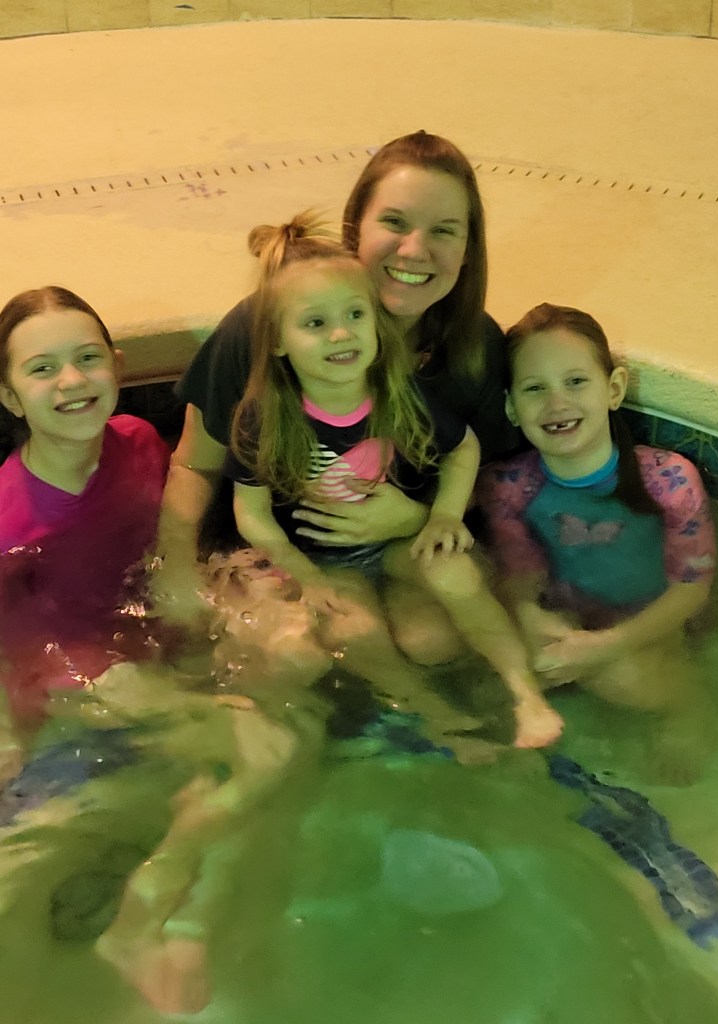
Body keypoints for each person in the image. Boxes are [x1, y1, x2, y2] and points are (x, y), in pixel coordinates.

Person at [224, 213, 562, 751]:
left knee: (454, 574)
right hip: (327, 560)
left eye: (355, 314)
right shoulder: (263, 416)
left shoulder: (399, 392)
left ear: (376, 325)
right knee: (351, 631)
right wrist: (304, 575)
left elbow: (463, 449)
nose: (341, 334)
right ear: (279, 341)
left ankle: (525, 693)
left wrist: (445, 516)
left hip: (394, 542)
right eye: (315, 323)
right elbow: (251, 513)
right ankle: (437, 716)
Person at [154, 131, 519, 623]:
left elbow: (493, 474)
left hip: (396, 548)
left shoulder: (475, 346)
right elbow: (195, 464)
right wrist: (175, 568)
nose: (415, 250)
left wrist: (415, 518)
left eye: (444, 230)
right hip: (276, 558)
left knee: (434, 642)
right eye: (394, 222)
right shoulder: (264, 327)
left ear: (469, 249)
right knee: (317, 644)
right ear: (355, 231)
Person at [476, 303, 717, 779]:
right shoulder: (508, 486)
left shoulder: (668, 482)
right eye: (535, 388)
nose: (556, 403)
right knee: (495, 670)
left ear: (614, 389)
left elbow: (692, 589)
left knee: (621, 675)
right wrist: (533, 619)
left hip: (653, 625)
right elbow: (521, 574)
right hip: (572, 617)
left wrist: (605, 647)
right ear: (511, 407)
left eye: (575, 382)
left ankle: (690, 704)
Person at [0, 286, 170, 745]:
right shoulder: (7, 520)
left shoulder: (141, 442)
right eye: (43, 368)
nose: (72, 380)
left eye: (88, 358)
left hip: (151, 635)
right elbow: (18, 651)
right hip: (76, 684)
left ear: (118, 367)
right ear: (10, 397)